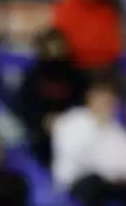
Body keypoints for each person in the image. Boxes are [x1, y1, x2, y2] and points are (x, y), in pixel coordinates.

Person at [16, 29, 88, 167]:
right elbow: (24, 105)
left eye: (57, 45)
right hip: (40, 132)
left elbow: (82, 104)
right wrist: (43, 121)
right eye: (49, 46)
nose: (54, 50)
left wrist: (65, 121)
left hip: (72, 129)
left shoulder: (76, 75)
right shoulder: (33, 76)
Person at [51, 0, 123, 73]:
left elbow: (113, 48)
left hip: (103, 70)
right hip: (73, 70)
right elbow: (62, 45)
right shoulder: (64, 10)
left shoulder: (106, 11)